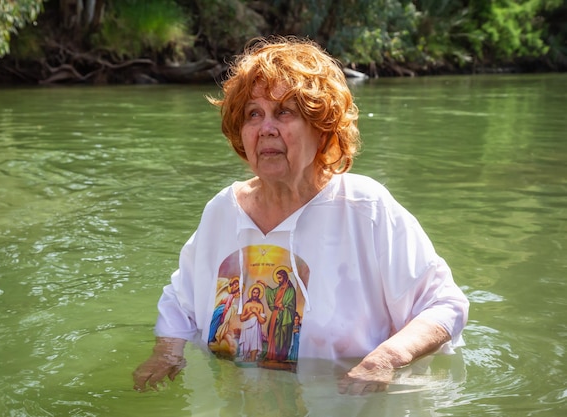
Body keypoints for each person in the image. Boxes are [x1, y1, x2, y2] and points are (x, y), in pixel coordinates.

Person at [132, 35, 469, 395]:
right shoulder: (222, 211)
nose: (266, 128)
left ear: (321, 129)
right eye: (253, 114)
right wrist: (166, 351)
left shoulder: (364, 207)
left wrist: (386, 358)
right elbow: (180, 301)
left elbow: (444, 304)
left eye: (284, 112)